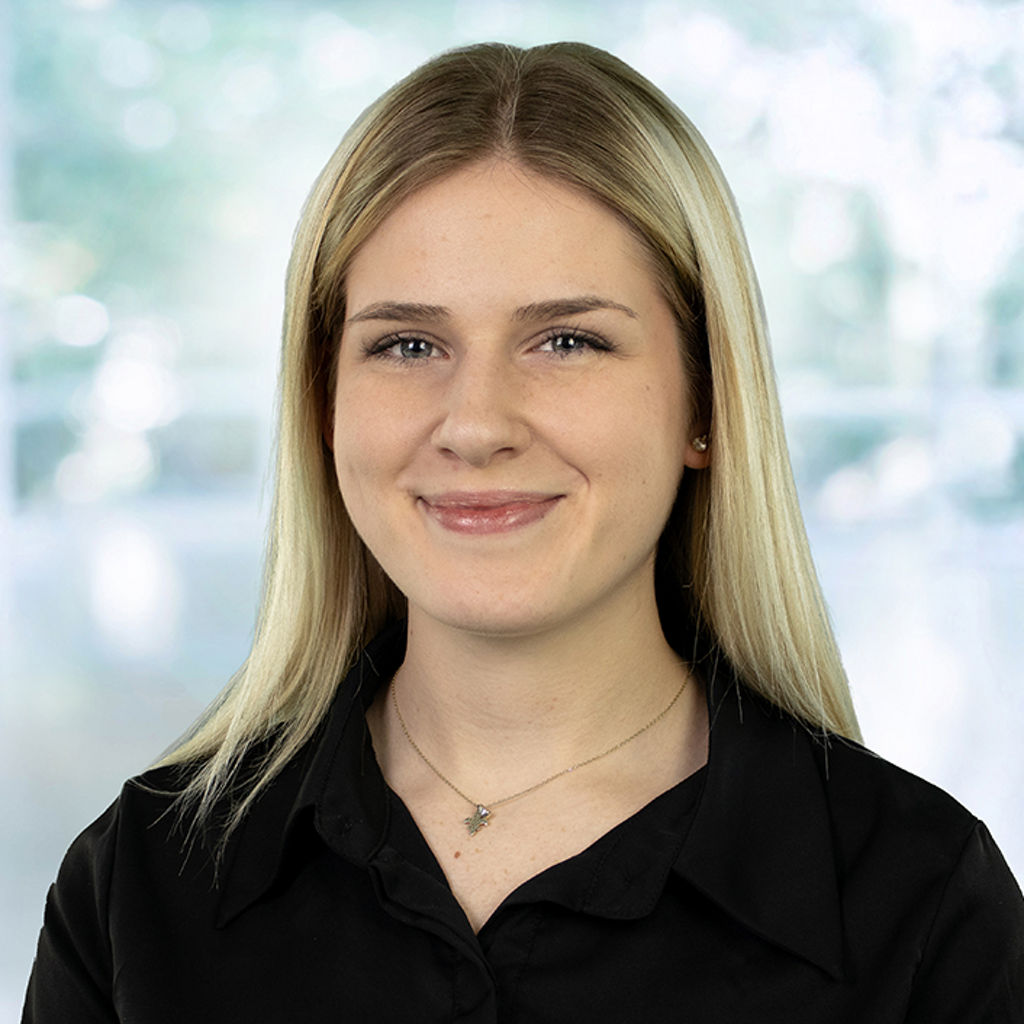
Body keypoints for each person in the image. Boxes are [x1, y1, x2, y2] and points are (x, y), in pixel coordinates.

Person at [24, 41, 1023, 1022]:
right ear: (323, 402)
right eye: (406, 344)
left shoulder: (922, 901)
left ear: (706, 403)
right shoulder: (136, 888)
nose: (475, 425)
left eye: (566, 341)